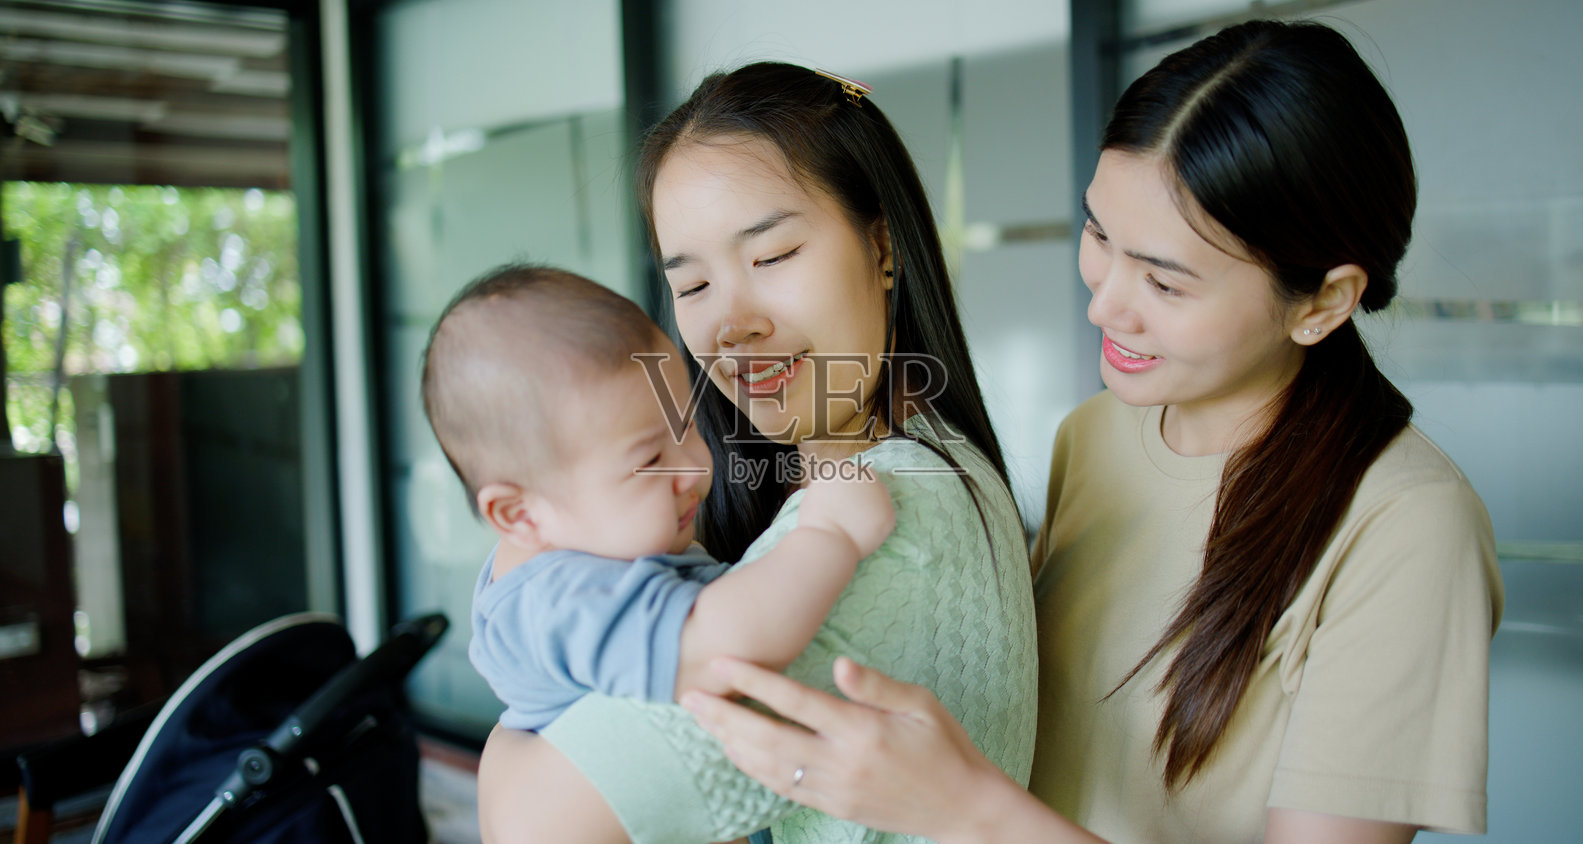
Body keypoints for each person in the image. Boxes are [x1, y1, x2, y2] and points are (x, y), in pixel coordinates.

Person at [681, 19, 1503, 844]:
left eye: (1165, 282)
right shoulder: (1098, 436)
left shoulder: (1408, 525)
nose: (1105, 303)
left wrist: (963, 806)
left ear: (1323, 302)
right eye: (1101, 236)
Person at [475, 64, 1039, 843]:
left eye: (771, 257)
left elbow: (542, 827)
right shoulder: (894, 472)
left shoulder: (883, 515)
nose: (730, 324)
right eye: (694, 284)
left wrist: (510, 725)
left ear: (883, 245)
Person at [419, 264, 894, 732]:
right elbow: (723, 654)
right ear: (520, 514)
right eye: (648, 461)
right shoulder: (562, 602)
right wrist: (829, 533)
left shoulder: (588, 542)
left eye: (686, 425)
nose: (691, 466)